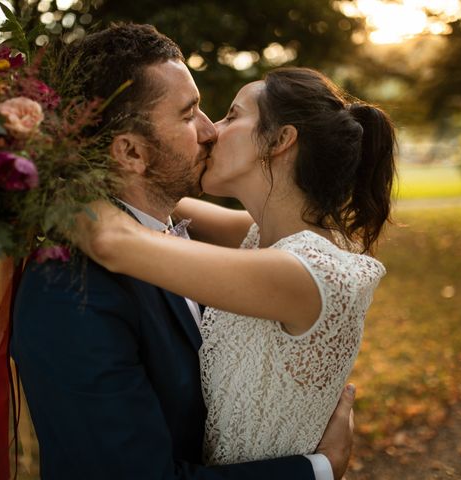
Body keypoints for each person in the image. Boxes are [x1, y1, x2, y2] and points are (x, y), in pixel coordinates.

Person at [11, 24, 353, 480]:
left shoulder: (209, 242)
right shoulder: (70, 289)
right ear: (131, 152)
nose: (210, 130)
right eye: (189, 113)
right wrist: (318, 470)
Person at [73, 67, 396, 468]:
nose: (211, 131)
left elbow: (113, 240)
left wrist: (31, 168)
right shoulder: (265, 236)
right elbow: (152, 197)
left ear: (279, 140)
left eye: (231, 115)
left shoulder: (306, 273)